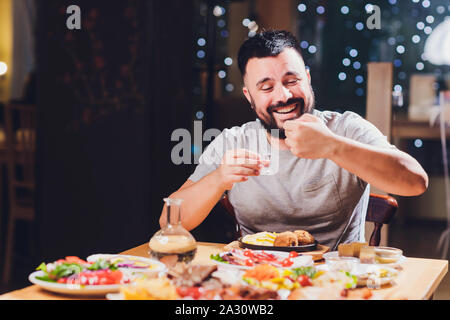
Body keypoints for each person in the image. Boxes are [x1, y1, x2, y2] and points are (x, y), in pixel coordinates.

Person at [159, 30, 428, 249]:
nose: (283, 96)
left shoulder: (345, 128)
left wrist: (333, 147)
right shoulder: (233, 141)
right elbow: (170, 221)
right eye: (266, 87)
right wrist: (218, 178)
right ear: (249, 97)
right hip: (256, 279)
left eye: (292, 80)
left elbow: (416, 182)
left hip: (335, 282)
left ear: (308, 79)